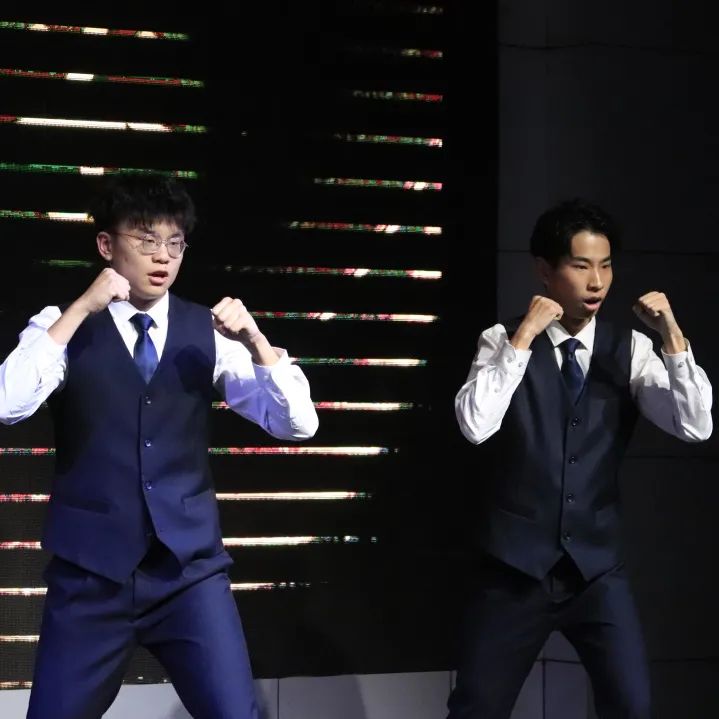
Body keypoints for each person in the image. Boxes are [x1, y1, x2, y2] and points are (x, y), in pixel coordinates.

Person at [0, 176, 319, 719]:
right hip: (92, 576)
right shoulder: (64, 325)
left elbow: (298, 425)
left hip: (187, 575)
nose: (163, 256)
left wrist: (257, 341)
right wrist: (81, 309)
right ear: (106, 245)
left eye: (175, 243)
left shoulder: (207, 331)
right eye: (146, 240)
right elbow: (8, 403)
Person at [450, 198, 712, 718]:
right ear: (545, 270)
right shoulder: (502, 340)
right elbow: (475, 425)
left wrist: (672, 336)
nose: (596, 282)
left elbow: (694, 425)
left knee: (632, 705)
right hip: (516, 567)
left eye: (606, 266)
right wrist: (524, 337)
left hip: (596, 569)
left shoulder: (630, 348)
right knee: (478, 707)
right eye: (581, 266)